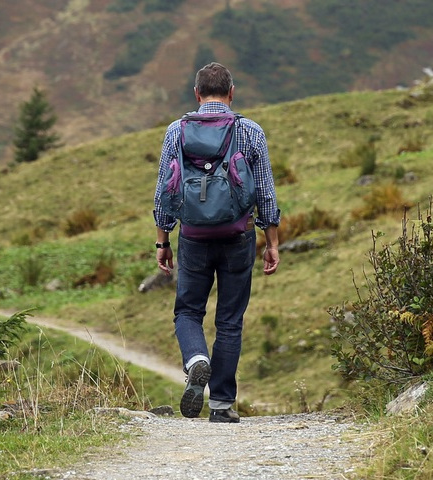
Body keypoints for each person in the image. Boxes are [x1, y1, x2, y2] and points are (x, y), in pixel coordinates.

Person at [153, 62, 280, 423]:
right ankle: (222, 405)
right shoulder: (250, 131)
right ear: (231, 92)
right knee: (230, 320)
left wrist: (163, 240)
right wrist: (271, 241)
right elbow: (266, 193)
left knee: (188, 311)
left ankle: (196, 360)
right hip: (238, 235)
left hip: (193, 236)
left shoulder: (176, 131)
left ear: (196, 94)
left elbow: (165, 190)